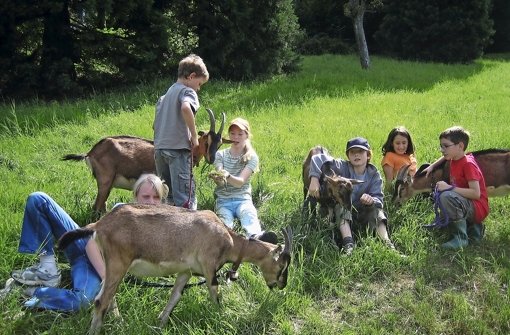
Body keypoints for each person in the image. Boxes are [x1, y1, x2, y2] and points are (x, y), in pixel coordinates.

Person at [11, 174, 168, 312]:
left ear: (162, 201)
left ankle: (30, 292)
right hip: (84, 244)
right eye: (146, 197)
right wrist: (108, 281)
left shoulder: (158, 230)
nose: (151, 203)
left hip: (89, 267)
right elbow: (91, 244)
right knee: (38, 199)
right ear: (135, 197)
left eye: (156, 197)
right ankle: (47, 267)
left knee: (81, 301)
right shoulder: (124, 212)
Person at [307, 137, 395, 255]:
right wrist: (314, 178)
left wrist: (371, 200)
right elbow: (318, 158)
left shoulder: (374, 174)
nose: (356, 155)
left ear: (368, 155)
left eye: (360, 151)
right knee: (341, 204)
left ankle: (387, 244)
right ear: (348, 156)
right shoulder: (342, 166)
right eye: (352, 152)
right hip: (344, 213)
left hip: (362, 211)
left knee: (378, 211)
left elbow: (378, 198)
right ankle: (348, 243)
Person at [153, 54, 209, 209]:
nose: (198, 88)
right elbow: (185, 108)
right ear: (191, 76)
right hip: (178, 151)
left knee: (167, 197)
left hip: (159, 151)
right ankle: (188, 232)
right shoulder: (188, 92)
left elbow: (155, 124)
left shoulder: (164, 97)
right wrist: (194, 136)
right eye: (199, 84)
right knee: (185, 200)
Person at [209, 118, 277, 244]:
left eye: (240, 134)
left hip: (242, 199)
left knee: (249, 215)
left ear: (247, 135)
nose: (236, 137)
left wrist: (227, 175)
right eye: (232, 134)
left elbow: (240, 182)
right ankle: (226, 244)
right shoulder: (220, 155)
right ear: (228, 136)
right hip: (223, 200)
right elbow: (221, 180)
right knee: (224, 225)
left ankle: (257, 238)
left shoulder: (252, 157)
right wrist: (218, 178)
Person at [423, 126, 489, 249]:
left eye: (445, 146)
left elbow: (476, 194)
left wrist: (449, 188)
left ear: (460, 146)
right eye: (441, 146)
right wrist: (433, 166)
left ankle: (460, 237)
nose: (442, 150)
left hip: (478, 207)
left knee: (446, 195)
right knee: (443, 194)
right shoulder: (455, 157)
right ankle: (467, 227)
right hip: (467, 202)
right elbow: (444, 156)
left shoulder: (468, 164)